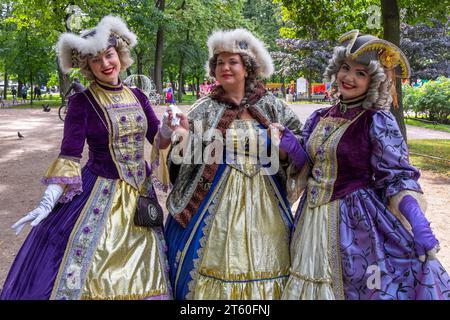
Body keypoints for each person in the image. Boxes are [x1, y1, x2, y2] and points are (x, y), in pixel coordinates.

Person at [1, 15, 174, 300]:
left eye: (109, 55)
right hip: (100, 192)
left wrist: (167, 130)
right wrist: (47, 201)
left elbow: (157, 141)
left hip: (142, 196)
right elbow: (69, 155)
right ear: (87, 67)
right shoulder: (81, 102)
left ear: (119, 55)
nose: (106, 64)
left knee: (144, 268)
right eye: (96, 60)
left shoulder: (139, 96)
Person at [281, 30, 450, 300]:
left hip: (355, 222)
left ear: (373, 81)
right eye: (345, 68)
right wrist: (291, 147)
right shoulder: (318, 116)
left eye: (360, 73)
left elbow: (395, 177)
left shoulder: (376, 120)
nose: (349, 77)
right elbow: (308, 167)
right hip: (309, 221)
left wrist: (416, 219)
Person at [163, 28, 303, 300]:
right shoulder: (204, 108)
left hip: (267, 198)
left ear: (248, 67)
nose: (225, 67)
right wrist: (182, 137)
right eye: (219, 62)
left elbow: (301, 146)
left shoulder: (273, 106)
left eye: (233, 62)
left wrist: (284, 147)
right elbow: (183, 162)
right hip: (213, 199)